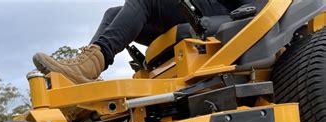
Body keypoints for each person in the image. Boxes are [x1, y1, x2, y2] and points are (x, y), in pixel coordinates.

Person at [33, 0, 247, 84]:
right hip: (197, 16)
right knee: (112, 13)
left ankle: (90, 66)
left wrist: (211, 23)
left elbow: (255, 11)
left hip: (222, 23)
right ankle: (88, 70)